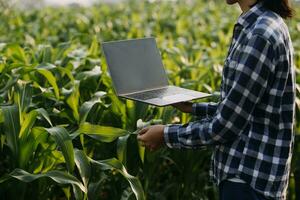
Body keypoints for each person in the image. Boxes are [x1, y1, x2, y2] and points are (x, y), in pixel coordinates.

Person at [137, 0, 296, 199]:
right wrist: (193, 108)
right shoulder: (265, 23)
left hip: (247, 180)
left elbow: (226, 127)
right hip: (252, 176)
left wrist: (165, 134)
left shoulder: (260, 35)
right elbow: (245, 110)